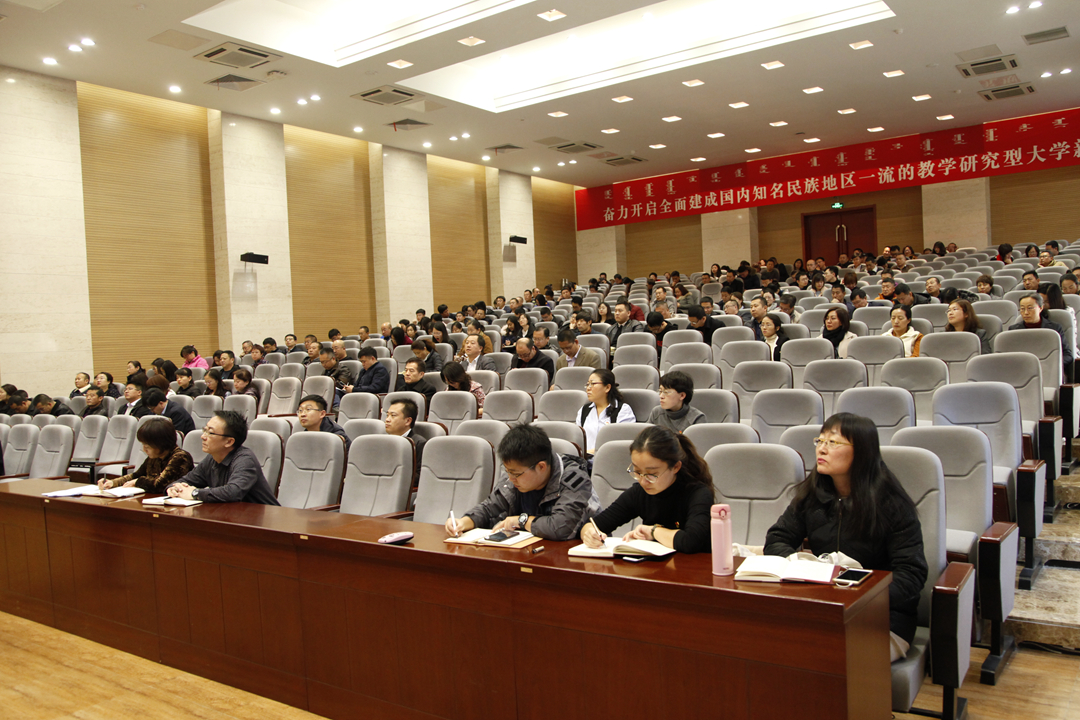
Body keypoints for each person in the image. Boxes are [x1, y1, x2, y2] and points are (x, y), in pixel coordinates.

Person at [764, 413, 927, 661]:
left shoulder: (891, 503)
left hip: (882, 619)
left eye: (833, 442)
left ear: (861, 452)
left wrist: (860, 592)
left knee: (823, 656)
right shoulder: (812, 495)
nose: (822, 449)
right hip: (824, 609)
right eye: (820, 441)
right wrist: (805, 568)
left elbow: (911, 574)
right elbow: (777, 539)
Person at [445, 424, 598, 541]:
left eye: (516, 474)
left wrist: (521, 520)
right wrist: (465, 522)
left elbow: (560, 527)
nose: (511, 479)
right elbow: (490, 508)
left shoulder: (574, 478)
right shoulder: (515, 474)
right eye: (508, 471)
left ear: (541, 467)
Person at [581, 425, 714, 553]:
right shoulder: (639, 493)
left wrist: (653, 531)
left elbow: (691, 541)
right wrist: (589, 534)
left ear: (675, 467)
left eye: (652, 474)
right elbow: (594, 524)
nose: (643, 481)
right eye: (638, 472)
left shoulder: (698, 493)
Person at [165, 411, 280, 504]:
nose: (203, 436)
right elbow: (185, 480)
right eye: (205, 430)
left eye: (210, 433)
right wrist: (173, 489)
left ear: (229, 442)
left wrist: (194, 493)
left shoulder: (245, 460)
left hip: (263, 520)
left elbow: (233, 492)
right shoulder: (211, 458)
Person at [96, 417, 194, 493]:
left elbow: (159, 485)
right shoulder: (155, 456)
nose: (144, 449)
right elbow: (137, 475)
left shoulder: (180, 457)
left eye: (147, 446)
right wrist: (113, 482)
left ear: (161, 444)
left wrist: (137, 482)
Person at [577, 369, 636, 456]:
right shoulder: (584, 410)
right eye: (587, 384)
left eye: (593, 384)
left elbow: (623, 443)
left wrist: (595, 452)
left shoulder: (622, 410)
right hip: (584, 460)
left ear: (607, 387)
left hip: (610, 458)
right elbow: (578, 439)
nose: (588, 388)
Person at [1010, 293, 1074, 366]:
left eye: (1030, 308)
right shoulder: (1014, 330)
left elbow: (1067, 355)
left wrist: (1053, 365)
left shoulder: (1054, 328)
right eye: (1022, 309)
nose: (1026, 313)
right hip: (1023, 368)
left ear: (1041, 308)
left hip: (1050, 368)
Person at [384, 399, 426, 468]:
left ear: (408, 421)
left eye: (393, 415)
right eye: (387, 415)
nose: (387, 419)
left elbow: (419, 472)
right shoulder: (382, 441)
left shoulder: (418, 444)